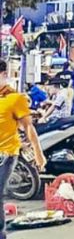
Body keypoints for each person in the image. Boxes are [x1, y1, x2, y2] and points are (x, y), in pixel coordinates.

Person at [0, 59, 46, 237]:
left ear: (4, 76)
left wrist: (38, 153)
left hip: (5, 154)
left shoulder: (15, 98)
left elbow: (28, 127)